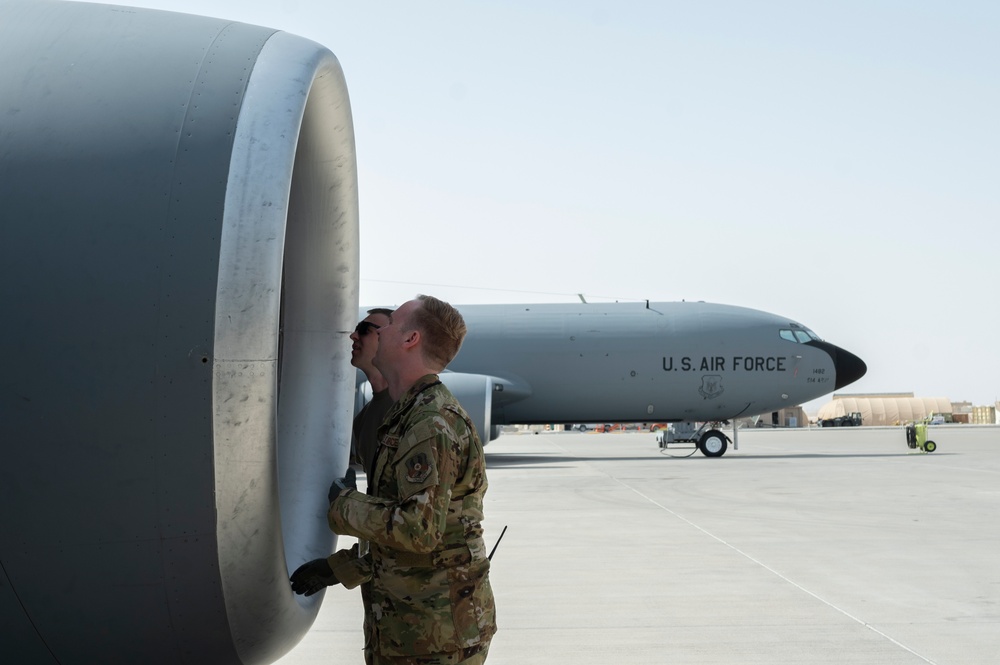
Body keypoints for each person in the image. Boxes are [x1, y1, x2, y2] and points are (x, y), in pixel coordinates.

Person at [297, 295, 497, 665]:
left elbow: (416, 530)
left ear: (411, 339)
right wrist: (336, 568)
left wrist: (344, 504)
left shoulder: (428, 424)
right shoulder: (407, 414)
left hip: (432, 635)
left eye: (389, 325)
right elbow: (401, 535)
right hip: (412, 626)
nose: (379, 331)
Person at [291, 308, 393, 665]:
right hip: (392, 607)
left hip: (430, 612)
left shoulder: (412, 413)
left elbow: (419, 530)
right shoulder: (369, 417)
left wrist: (346, 508)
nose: (353, 336)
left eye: (365, 329)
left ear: (394, 338)